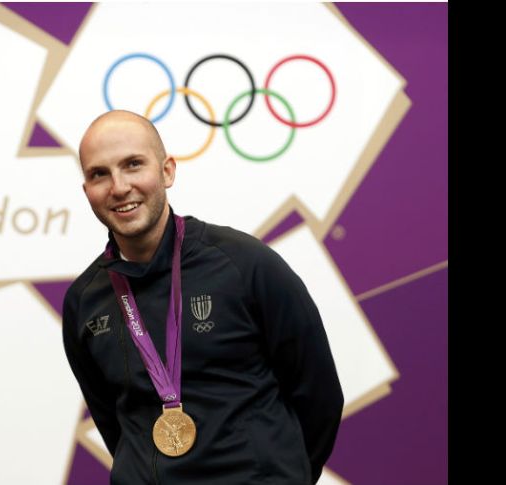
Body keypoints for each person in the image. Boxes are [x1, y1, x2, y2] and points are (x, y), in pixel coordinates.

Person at [62, 110, 344, 485]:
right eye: (99, 174)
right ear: (87, 191)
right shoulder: (84, 301)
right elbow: (113, 424)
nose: (119, 186)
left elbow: (319, 397)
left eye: (133, 165)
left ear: (167, 171)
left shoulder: (245, 264)